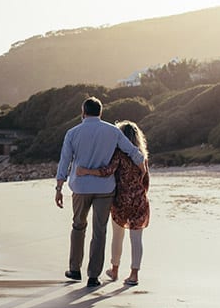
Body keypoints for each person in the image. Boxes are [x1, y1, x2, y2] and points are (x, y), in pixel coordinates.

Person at [55, 97, 145, 288]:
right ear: (101, 112)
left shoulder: (72, 133)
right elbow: (132, 151)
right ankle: (93, 276)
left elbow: (65, 161)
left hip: (80, 187)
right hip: (105, 189)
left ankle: (75, 269)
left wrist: (59, 187)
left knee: (78, 226)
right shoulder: (112, 131)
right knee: (100, 231)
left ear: (83, 112)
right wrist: (142, 166)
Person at [77, 120, 150, 286]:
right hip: (139, 200)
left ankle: (114, 270)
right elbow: (146, 181)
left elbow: (106, 172)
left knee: (117, 236)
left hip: (121, 201)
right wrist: (139, 194)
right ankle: (134, 275)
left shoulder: (119, 155)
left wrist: (86, 171)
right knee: (136, 238)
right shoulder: (142, 157)